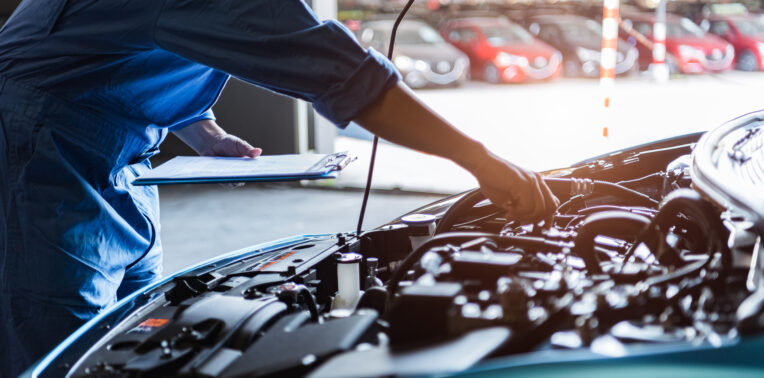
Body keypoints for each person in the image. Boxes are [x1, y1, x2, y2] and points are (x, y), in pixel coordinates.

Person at [0, 0, 558, 375]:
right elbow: (351, 80)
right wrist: (483, 162)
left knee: (138, 328)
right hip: (38, 144)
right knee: (63, 347)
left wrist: (202, 129)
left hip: (106, 144)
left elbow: (128, 46)